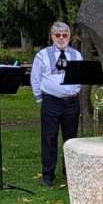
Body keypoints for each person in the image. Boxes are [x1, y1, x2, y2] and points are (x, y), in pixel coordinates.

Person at [31, 21, 82, 187]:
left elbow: (82, 76)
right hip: (51, 101)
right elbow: (35, 77)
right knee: (49, 138)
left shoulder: (76, 55)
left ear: (69, 36)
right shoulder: (42, 55)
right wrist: (40, 98)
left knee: (70, 139)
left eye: (65, 35)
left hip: (71, 103)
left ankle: (69, 173)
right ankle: (48, 175)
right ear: (52, 36)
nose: (61, 38)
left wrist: (73, 91)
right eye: (58, 35)